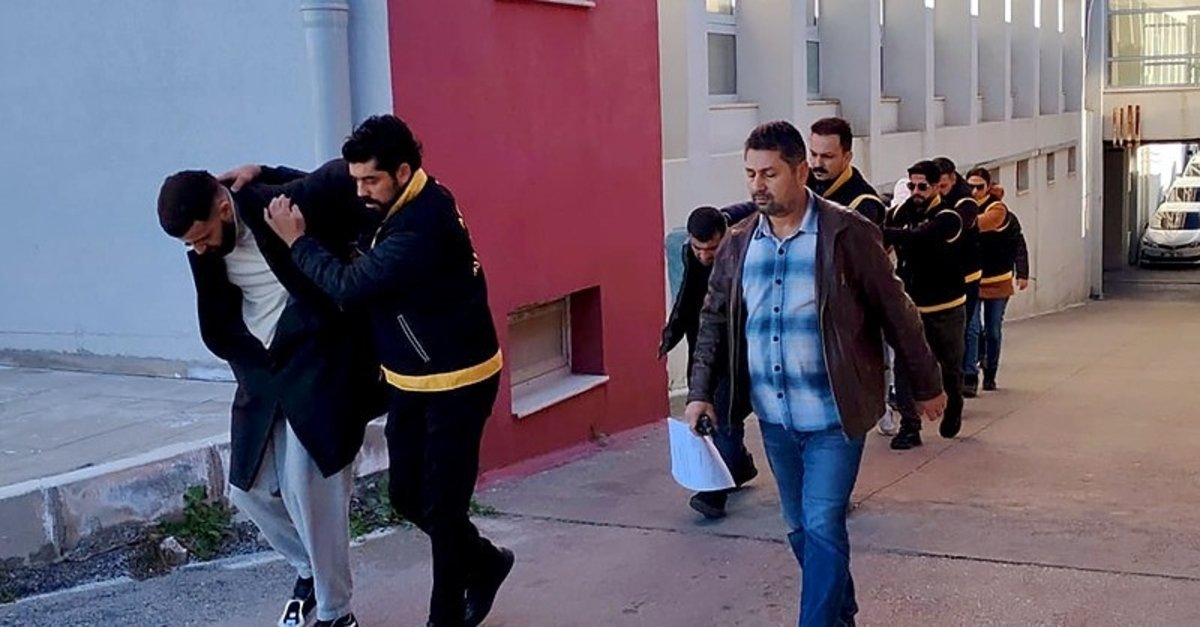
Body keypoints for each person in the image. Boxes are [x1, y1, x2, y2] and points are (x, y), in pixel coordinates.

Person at [684, 121, 946, 627]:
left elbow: (897, 310)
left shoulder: (847, 233)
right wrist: (700, 393)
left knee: (823, 523)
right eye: (750, 174)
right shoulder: (738, 244)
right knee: (800, 527)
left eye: (770, 173)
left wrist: (926, 383)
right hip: (775, 418)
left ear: (801, 171)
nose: (758, 185)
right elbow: (713, 320)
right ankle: (840, 611)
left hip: (833, 414)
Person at [261, 114, 512, 627]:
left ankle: (445, 617)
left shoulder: (423, 224)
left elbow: (349, 286)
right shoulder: (390, 196)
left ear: (402, 171)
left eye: (370, 180)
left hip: (458, 382)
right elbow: (329, 180)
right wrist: (265, 173)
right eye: (357, 179)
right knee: (406, 495)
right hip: (409, 378)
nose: (361, 191)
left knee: (443, 508)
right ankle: (485, 562)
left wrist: (297, 242)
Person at [156, 163, 386, 627]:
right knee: (249, 491)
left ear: (224, 208)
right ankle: (310, 570)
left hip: (318, 362)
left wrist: (268, 170)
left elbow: (343, 176)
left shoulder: (277, 206)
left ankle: (336, 612)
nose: (199, 249)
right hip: (262, 371)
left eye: (202, 236)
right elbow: (218, 319)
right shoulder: (204, 244)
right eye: (189, 244)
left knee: (308, 484)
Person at [660, 205, 759, 519]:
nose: (704, 256)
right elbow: (687, 295)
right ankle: (738, 466)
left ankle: (714, 492)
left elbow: (755, 207)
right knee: (713, 408)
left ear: (725, 236)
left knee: (724, 414)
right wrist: (672, 333)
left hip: (739, 345)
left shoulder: (744, 251)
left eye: (712, 249)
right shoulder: (691, 252)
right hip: (704, 342)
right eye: (697, 248)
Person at [884, 160, 967, 450]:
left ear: (936, 187)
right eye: (912, 186)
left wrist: (879, 231)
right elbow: (886, 239)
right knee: (905, 366)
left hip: (946, 307)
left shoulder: (949, 218)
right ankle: (910, 426)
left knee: (949, 367)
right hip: (911, 307)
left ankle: (954, 404)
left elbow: (919, 238)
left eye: (922, 187)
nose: (916, 192)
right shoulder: (901, 213)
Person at [967, 170, 1030, 391]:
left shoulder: (999, 212)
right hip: (973, 281)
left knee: (992, 330)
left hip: (999, 280)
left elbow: (1018, 244)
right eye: (970, 186)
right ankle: (970, 375)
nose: (974, 191)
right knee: (972, 329)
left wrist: (1022, 273)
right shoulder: (963, 208)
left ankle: (990, 371)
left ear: (988, 186)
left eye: (979, 187)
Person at [933, 157, 984, 398]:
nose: (939, 191)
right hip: (944, 275)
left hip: (967, 276)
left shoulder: (966, 203)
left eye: (942, 186)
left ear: (953, 179)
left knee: (967, 327)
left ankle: (968, 375)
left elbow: (951, 230)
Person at [807, 117, 887, 225]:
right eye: (813, 154)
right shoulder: (801, 181)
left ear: (847, 157)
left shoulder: (863, 205)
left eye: (827, 156)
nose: (817, 164)